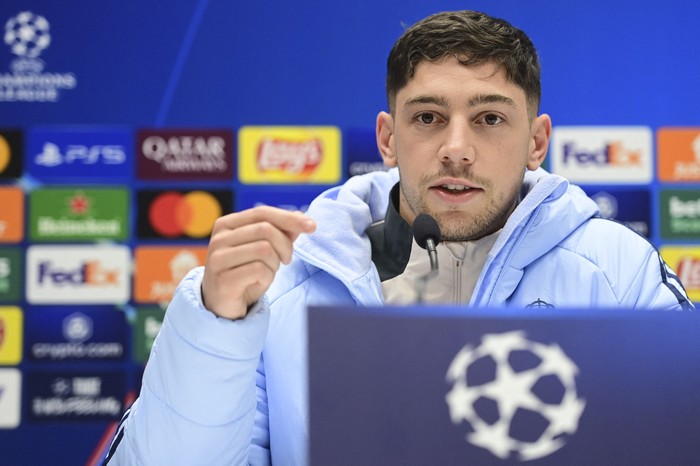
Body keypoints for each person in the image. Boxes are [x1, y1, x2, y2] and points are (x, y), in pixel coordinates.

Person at [104, 10, 693, 465]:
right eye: (428, 117)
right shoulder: (279, 281)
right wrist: (213, 327)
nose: (455, 148)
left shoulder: (618, 270)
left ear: (537, 141)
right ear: (387, 138)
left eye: (489, 118)